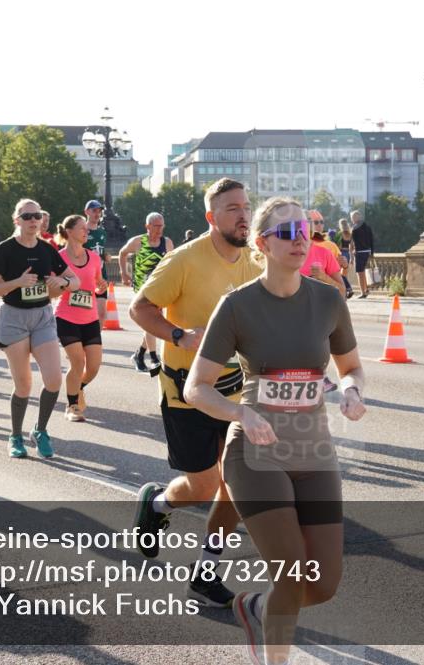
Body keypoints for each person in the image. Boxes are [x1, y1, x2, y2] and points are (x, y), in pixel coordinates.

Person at [184, 196, 366, 665]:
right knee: (290, 575)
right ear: (262, 243)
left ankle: (257, 607)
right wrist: (241, 414)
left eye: (304, 230)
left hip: (314, 450)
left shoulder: (327, 299)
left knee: (322, 585)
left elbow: (351, 368)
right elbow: (196, 388)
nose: (300, 240)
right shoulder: (238, 306)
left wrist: (351, 391)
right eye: (287, 233)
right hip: (256, 453)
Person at [129, 178, 262, 608]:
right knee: (204, 486)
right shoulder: (183, 261)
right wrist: (180, 335)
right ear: (211, 217)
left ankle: (205, 572)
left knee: (240, 480)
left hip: (236, 389)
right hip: (186, 389)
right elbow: (140, 308)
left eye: (245, 207)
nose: (242, 215)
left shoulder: (254, 260)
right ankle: (159, 502)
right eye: (231, 209)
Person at [0, 199, 79, 458]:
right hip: (13, 318)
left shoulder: (47, 249)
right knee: (24, 384)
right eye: (27, 217)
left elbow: (76, 280)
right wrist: (17, 282)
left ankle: (40, 430)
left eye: (36, 216)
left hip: (42, 317)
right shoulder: (5, 249)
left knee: (53, 379)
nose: (33, 220)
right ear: (17, 220)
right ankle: (15, 436)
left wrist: (62, 280)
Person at [54, 214, 104, 422]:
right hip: (66, 317)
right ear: (70, 231)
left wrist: (101, 286)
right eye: (82, 228)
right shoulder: (59, 258)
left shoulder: (93, 257)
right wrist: (64, 285)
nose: (87, 231)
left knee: (93, 367)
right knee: (77, 361)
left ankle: (78, 387)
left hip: (90, 317)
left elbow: (98, 280)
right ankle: (72, 405)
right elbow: (52, 287)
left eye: (87, 228)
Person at [119, 212, 173, 372]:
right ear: (147, 226)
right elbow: (122, 253)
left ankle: (140, 353)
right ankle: (154, 358)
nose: (159, 229)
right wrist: (124, 272)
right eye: (156, 226)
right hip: (141, 289)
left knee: (153, 322)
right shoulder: (138, 242)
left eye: (161, 226)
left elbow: (172, 263)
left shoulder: (167, 242)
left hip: (160, 288)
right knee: (151, 319)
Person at [83, 200, 111, 326]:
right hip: (85, 277)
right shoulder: (82, 231)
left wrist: (105, 256)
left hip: (101, 278)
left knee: (102, 314)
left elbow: (101, 250)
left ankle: (95, 341)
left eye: (99, 211)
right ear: (86, 212)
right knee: (84, 313)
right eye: (94, 210)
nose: (97, 214)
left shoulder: (102, 232)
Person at [350, 210, 374, 298]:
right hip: (367, 252)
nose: (352, 219)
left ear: (356, 217)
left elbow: (352, 242)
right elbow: (371, 240)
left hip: (359, 252)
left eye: (352, 218)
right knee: (364, 272)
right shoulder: (368, 227)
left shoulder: (355, 228)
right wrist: (372, 253)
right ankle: (366, 289)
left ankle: (363, 292)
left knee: (360, 273)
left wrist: (353, 253)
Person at [335, 218, 356, 299]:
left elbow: (339, 247)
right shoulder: (350, 234)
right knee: (345, 274)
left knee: (339, 274)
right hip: (348, 254)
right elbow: (352, 247)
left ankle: (346, 289)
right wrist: (352, 258)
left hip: (341, 254)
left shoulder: (340, 234)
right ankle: (347, 289)